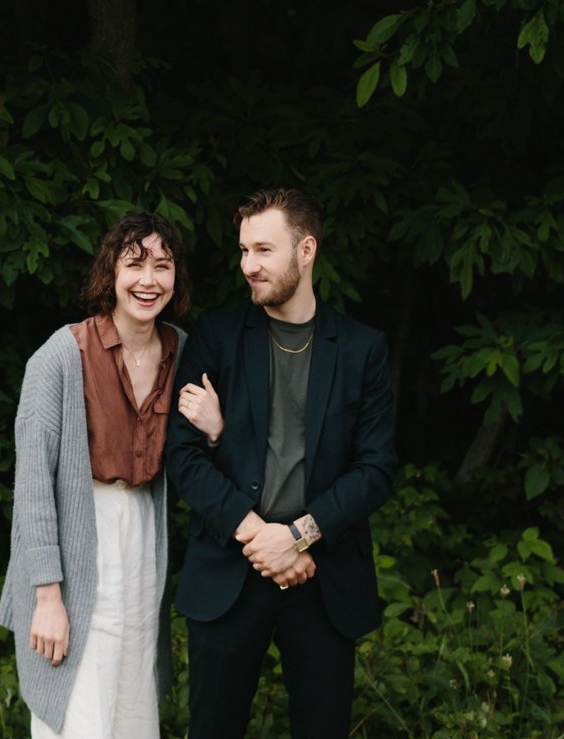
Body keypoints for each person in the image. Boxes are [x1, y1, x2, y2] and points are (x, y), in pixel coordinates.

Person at [164, 188, 397, 739]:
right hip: (229, 570)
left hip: (322, 576)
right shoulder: (217, 337)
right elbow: (182, 455)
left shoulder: (362, 349)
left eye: (264, 250)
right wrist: (259, 536)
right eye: (243, 251)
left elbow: (376, 467)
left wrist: (298, 536)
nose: (249, 266)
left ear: (307, 249)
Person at [0, 211, 225, 738]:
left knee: (130, 702)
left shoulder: (184, 352)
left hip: (143, 540)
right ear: (111, 272)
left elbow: (204, 469)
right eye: (135, 264)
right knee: (78, 705)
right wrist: (47, 598)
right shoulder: (61, 355)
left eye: (163, 267)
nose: (149, 281)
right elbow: (33, 489)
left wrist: (215, 430)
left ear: (177, 278)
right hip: (77, 540)